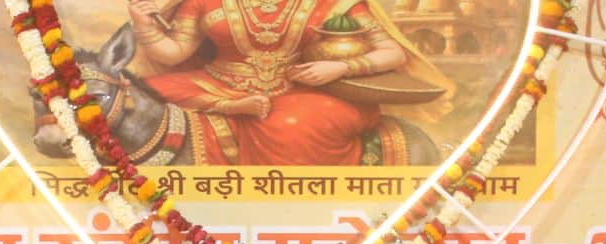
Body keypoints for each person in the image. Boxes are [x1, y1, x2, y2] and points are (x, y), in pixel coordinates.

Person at [122, 0, 448, 165]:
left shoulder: (334, 2)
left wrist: (339, 68)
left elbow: (392, 53)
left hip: (299, 89)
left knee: (290, 126)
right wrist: (144, 26)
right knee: (143, 96)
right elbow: (174, 53)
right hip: (218, 82)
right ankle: (232, 107)